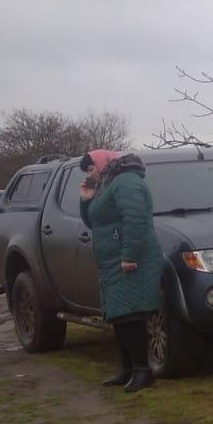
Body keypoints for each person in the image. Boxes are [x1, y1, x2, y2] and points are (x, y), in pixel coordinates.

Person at [78, 150, 164, 393]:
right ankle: (128, 369)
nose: (89, 173)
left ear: (102, 163)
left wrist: (129, 256)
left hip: (133, 260)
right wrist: (86, 199)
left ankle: (143, 371)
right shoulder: (108, 184)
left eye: (90, 168)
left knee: (131, 315)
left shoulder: (126, 182)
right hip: (113, 261)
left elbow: (135, 220)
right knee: (119, 316)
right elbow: (94, 221)